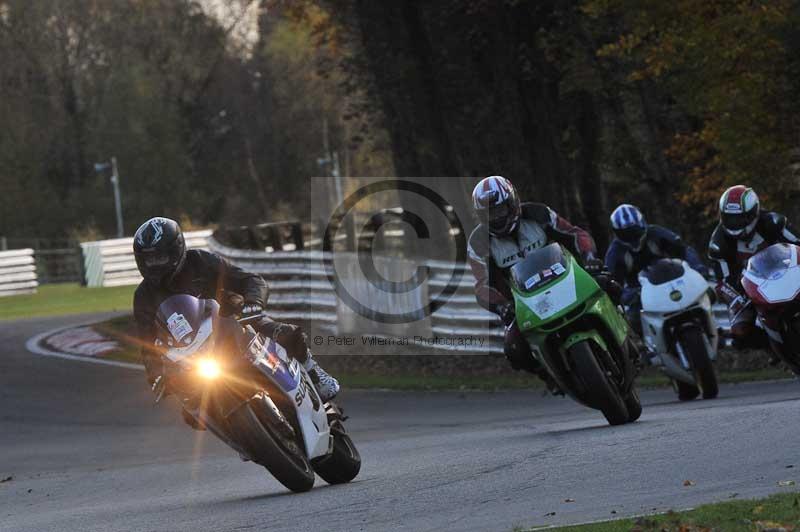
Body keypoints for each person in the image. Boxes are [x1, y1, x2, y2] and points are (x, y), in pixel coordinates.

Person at [132, 217, 339, 429]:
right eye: (149, 259)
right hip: (191, 352)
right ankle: (241, 434)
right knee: (192, 415)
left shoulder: (201, 261)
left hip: (233, 322)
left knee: (286, 334)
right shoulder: (143, 296)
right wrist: (155, 374)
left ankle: (315, 374)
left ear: (176, 250)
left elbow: (250, 280)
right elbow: (147, 343)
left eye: (160, 257)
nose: (155, 264)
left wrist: (253, 303)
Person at [467, 175, 605, 390]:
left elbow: (575, 234)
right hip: (523, 302)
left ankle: (629, 337)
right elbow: (481, 285)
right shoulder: (477, 244)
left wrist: (588, 258)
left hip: (567, 279)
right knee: (513, 348)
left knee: (609, 284)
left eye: (500, 210)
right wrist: (502, 305)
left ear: (512, 203)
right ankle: (548, 374)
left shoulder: (539, 214)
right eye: (489, 214)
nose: (496, 218)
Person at [708, 185, 800, 350]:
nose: (735, 224)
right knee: (740, 334)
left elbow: (798, 244)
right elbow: (723, 281)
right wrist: (738, 297)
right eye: (730, 219)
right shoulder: (718, 243)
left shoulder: (773, 222)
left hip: (788, 276)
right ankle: (773, 351)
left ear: (753, 213)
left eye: (740, 219)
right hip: (750, 290)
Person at [605, 204, 708, 340]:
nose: (632, 236)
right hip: (639, 292)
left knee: (705, 293)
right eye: (625, 233)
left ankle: (712, 328)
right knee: (634, 318)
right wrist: (623, 295)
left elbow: (684, 249)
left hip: (673, 279)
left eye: (635, 230)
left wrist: (698, 267)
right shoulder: (615, 253)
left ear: (642, 224)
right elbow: (612, 281)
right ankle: (645, 347)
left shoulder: (656, 233)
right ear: (617, 233)